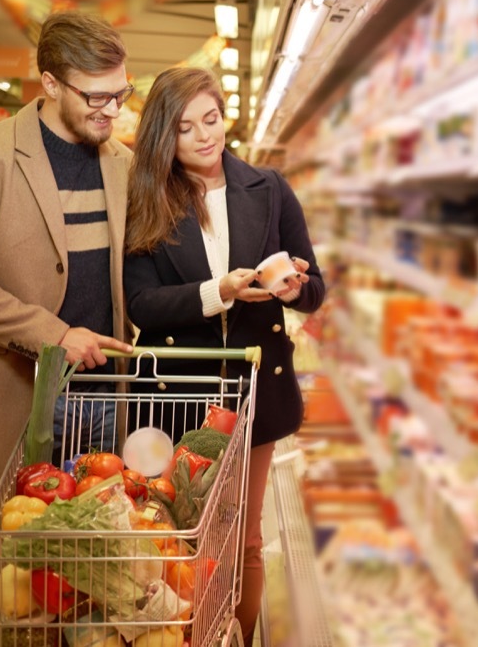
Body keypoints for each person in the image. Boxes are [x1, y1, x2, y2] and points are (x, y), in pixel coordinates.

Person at [0, 10, 134, 646]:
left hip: (97, 406)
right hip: (10, 397)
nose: (111, 109)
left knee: (79, 581)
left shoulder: (118, 162)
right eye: (97, 96)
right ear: (50, 83)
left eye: (119, 92)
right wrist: (50, 331)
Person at [124, 66, 325, 641]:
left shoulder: (269, 187)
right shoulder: (147, 198)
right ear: (166, 136)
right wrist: (222, 291)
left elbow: (316, 287)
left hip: (254, 392)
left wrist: (295, 287)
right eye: (186, 128)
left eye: (210, 119)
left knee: (245, 537)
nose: (204, 137)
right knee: (178, 536)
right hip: (177, 394)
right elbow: (143, 303)